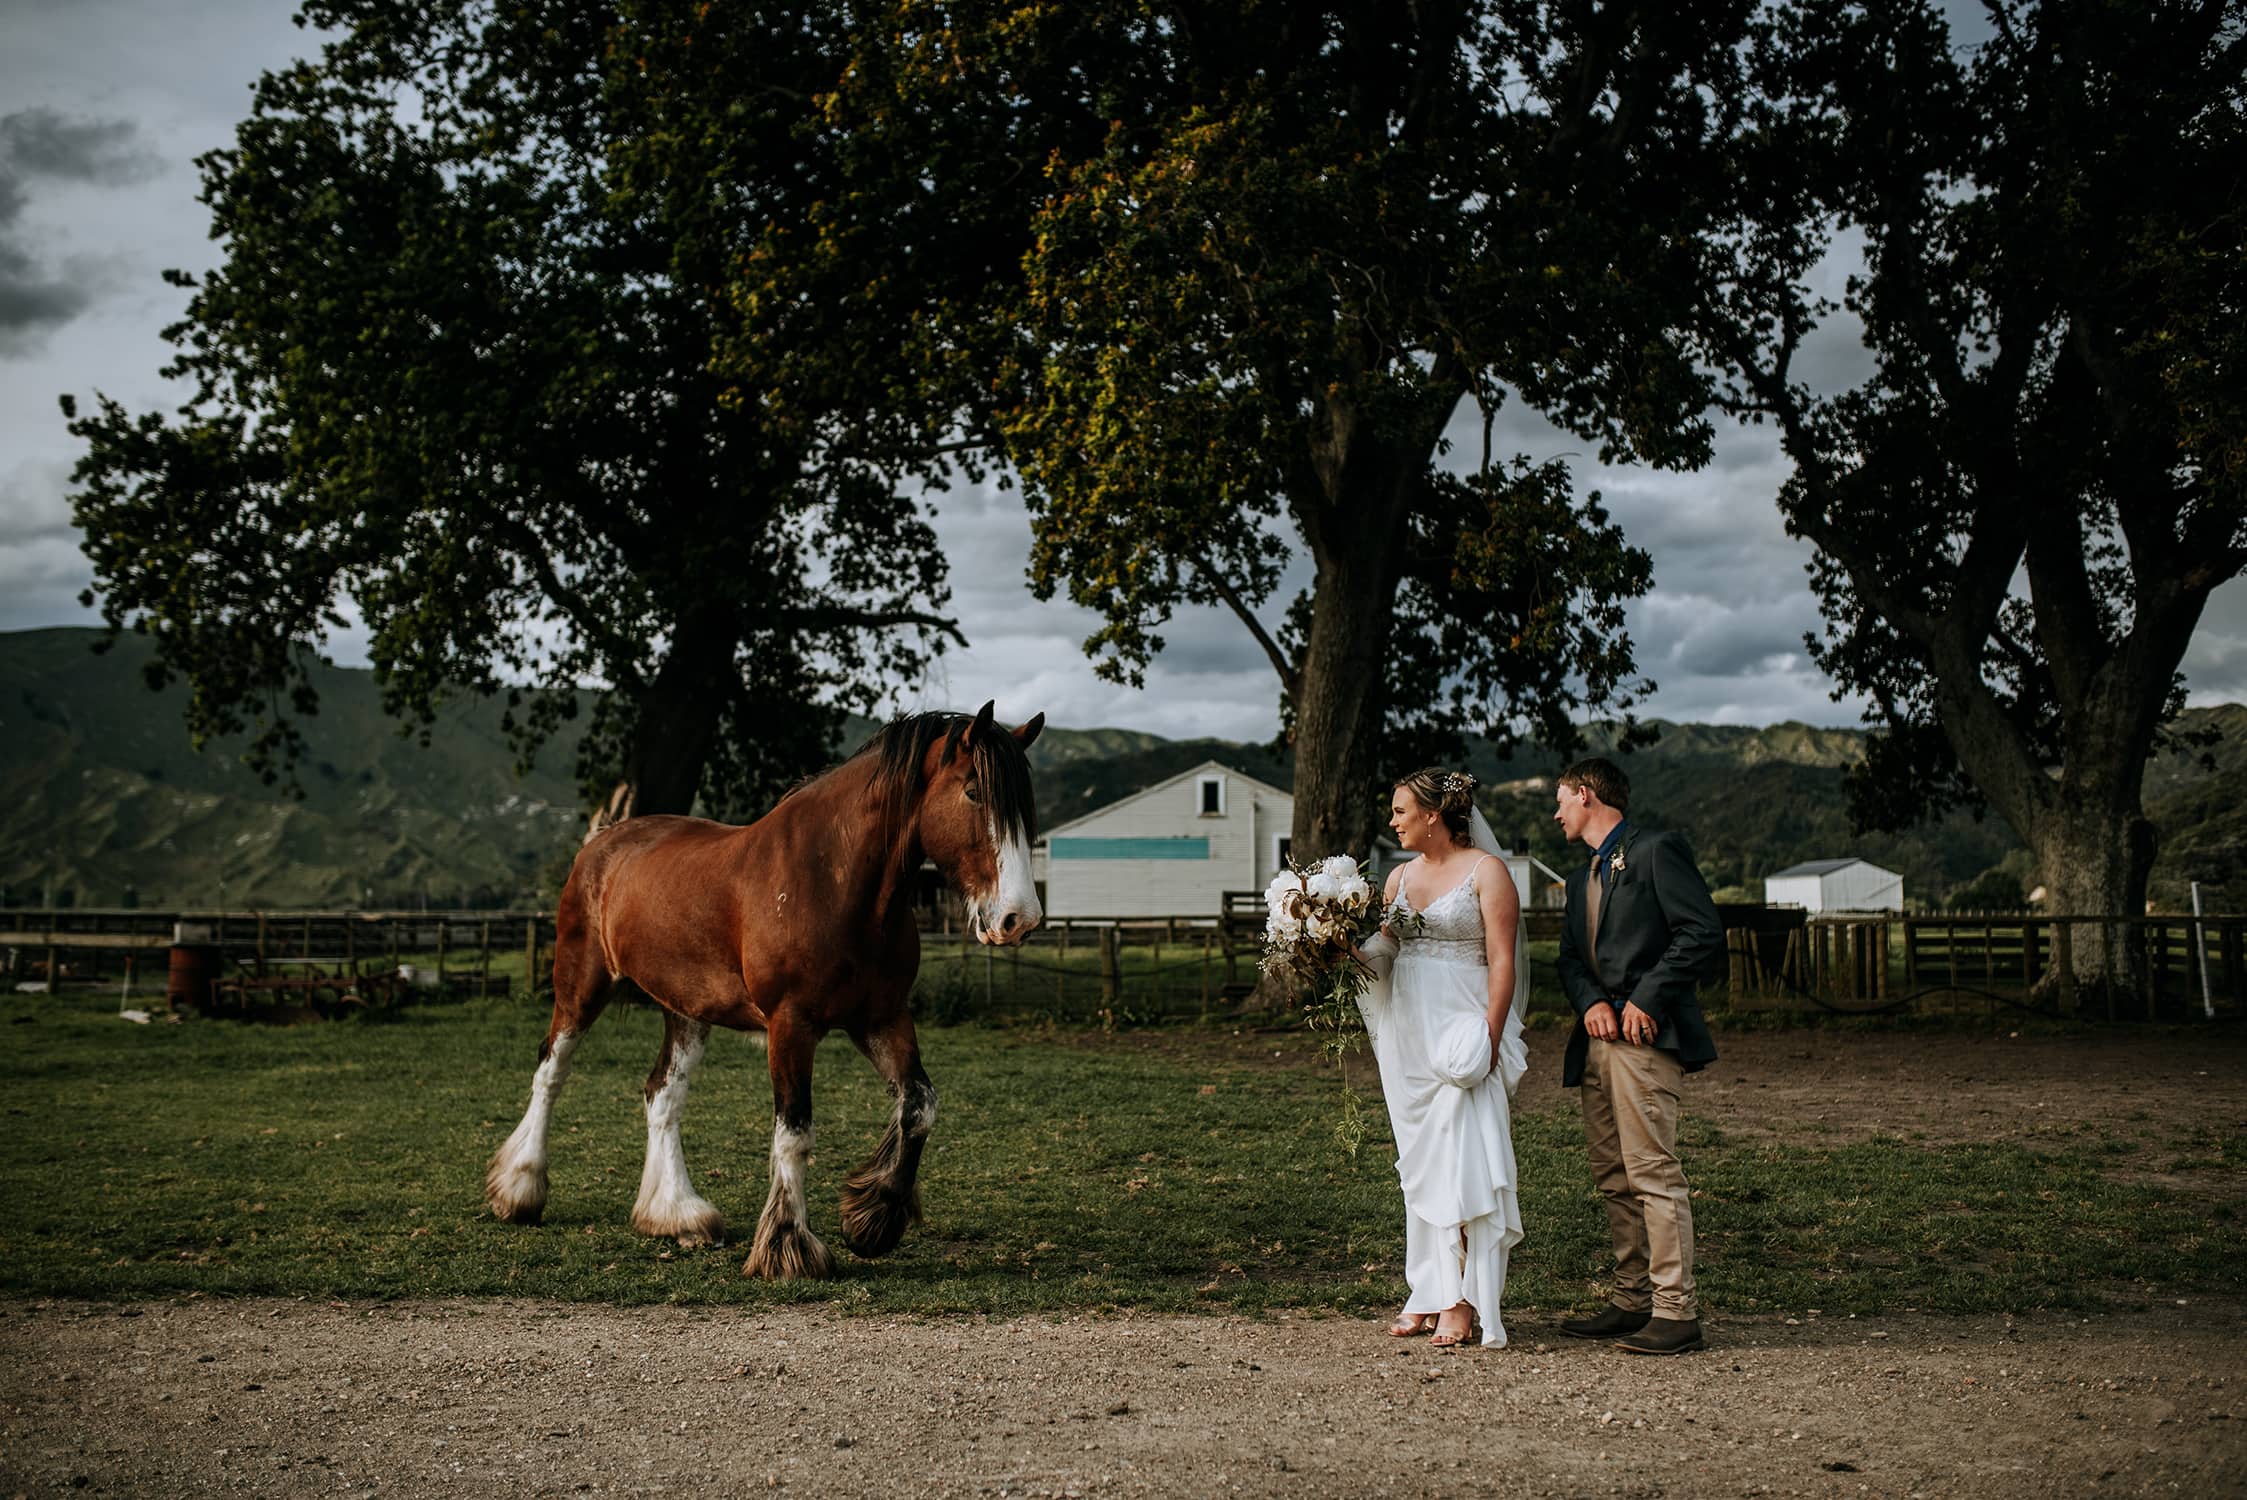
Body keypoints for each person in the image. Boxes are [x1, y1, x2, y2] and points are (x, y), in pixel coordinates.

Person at [1552, 756, 1723, 1355]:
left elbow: (1701, 931)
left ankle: (1676, 1311)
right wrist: (1591, 1003)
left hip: (1646, 1040)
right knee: (1613, 1175)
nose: (1556, 814)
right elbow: (1569, 959)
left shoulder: (1655, 851)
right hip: (1597, 1042)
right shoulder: (1580, 878)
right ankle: (1633, 1300)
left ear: (1585, 795)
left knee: (1653, 1172)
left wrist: (1647, 997)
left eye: (1561, 801)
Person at [1356, 768, 1529, 1349]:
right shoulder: (1399, 877)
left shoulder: (1487, 872)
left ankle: (1465, 1300)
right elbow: (1385, 950)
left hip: (1463, 1029)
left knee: (1463, 1161)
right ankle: (1429, 1290)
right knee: (1422, 1164)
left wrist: (1490, 1035)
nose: (1393, 821)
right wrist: (1335, 950)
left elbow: (1503, 961)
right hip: (1408, 1033)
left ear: (1433, 815)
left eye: (1401, 811)